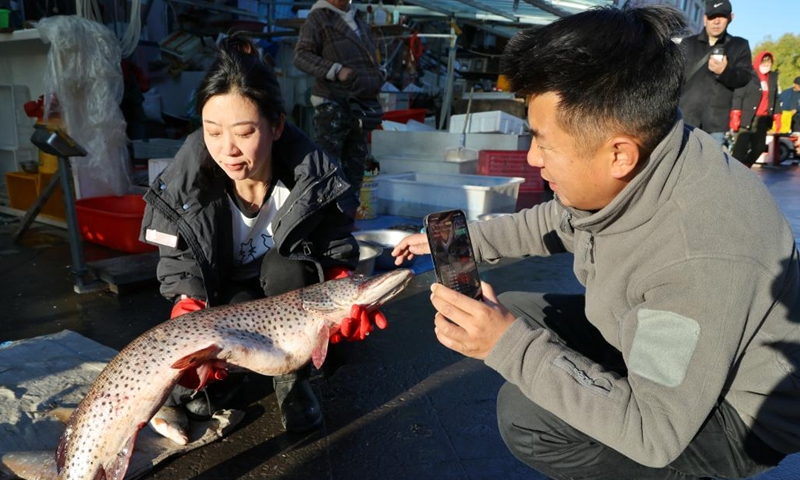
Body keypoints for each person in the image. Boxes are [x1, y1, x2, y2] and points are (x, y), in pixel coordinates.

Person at [392, 5, 800, 480]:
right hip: (664, 340)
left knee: (530, 416)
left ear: (618, 154)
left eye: (543, 142)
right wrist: (468, 242)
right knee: (520, 310)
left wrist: (507, 346)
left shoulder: (699, 254)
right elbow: (562, 218)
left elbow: (655, 431)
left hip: (734, 419)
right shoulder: (652, 152)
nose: (531, 157)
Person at [140, 34, 385, 434]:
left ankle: (292, 380)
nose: (228, 149)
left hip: (290, 296)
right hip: (227, 299)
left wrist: (341, 286)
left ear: (276, 127)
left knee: (287, 264)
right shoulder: (185, 183)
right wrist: (188, 304)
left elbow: (334, 246)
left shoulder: (315, 177)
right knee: (198, 399)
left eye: (244, 131)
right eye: (213, 131)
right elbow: (180, 261)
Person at [293, 0, 384, 205]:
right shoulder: (319, 17)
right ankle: (327, 219)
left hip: (360, 103)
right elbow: (300, 56)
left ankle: (347, 219)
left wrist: (377, 75)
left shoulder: (357, 17)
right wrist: (336, 70)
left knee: (355, 165)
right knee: (329, 165)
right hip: (332, 102)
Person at [678, 0, 752, 145]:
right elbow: (674, 77)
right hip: (685, 117)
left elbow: (745, 77)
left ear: (730, 18)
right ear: (705, 19)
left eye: (722, 16)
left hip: (716, 123)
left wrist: (725, 72)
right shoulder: (687, 44)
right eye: (712, 16)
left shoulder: (739, 45)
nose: (716, 21)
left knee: (709, 166)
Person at [730, 51, 781, 167]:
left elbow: (775, 98)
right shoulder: (749, 75)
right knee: (739, 150)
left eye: (769, 63)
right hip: (746, 118)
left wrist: (778, 116)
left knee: (759, 147)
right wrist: (735, 114)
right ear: (758, 61)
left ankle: (745, 168)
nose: (766, 65)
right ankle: (732, 173)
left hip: (763, 119)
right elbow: (738, 95)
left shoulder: (772, 77)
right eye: (764, 62)